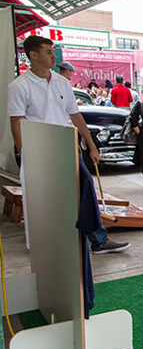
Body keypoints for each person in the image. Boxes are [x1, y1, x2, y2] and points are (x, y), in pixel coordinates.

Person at [8, 35, 129, 254]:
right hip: (39, 151)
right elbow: (16, 124)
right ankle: (45, 243)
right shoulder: (19, 86)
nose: (54, 56)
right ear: (33, 55)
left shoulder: (62, 82)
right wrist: (26, 154)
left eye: (53, 50)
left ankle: (98, 239)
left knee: (85, 187)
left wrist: (91, 146)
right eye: (48, 51)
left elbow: (76, 116)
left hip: (66, 147)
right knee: (44, 198)